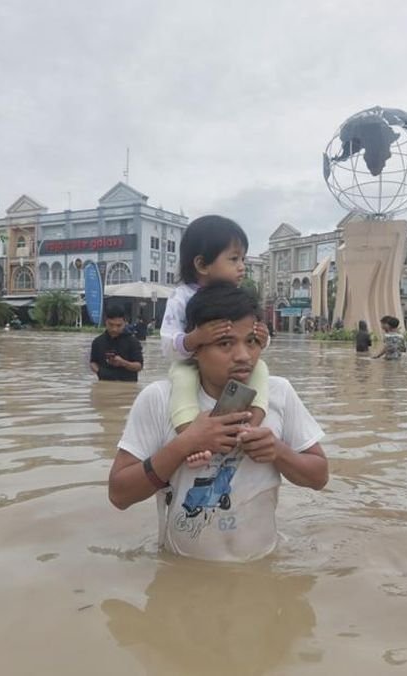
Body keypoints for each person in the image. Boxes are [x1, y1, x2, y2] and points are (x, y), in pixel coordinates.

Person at [107, 282, 328, 562]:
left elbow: (320, 477)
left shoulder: (279, 393)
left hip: (260, 573)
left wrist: (279, 452)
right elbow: (118, 494)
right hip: (183, 577)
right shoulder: (159, 399)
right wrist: (184, 444)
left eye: (251, 341)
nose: (243, 356)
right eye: (225, 343)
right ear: (195, 348)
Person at [159, 215, 270, 468]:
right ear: (202, 264)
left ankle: (250, 428)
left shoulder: (240, 298)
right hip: (189, 363)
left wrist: (263, 338)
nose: (242, 266)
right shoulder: (181, 298)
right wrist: (195, 338)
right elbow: (167, 343)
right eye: (234, 259)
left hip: (228, 372)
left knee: (261, 370)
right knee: (183, 379)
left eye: (242, 259)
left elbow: (253, 339)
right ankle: (191, 437)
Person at [89, 306, 144, 382]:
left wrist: (123, 363)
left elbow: (139, 366)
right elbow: (93, 362)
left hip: (127, 387)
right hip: (104, 385)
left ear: (124, 323)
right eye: (111, 325)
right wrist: (99, 371)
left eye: (118, 325)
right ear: (106, 322)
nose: (114, 329)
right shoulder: (97, 342)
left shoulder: (133, 342)